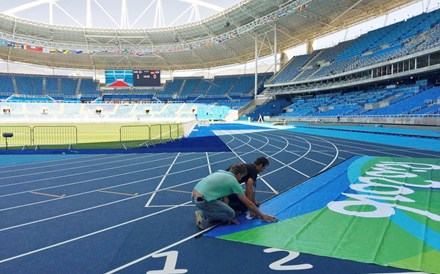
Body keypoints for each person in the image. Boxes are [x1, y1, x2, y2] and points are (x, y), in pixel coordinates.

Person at [192, 163, 277, 230]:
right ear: (239, 174)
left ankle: (212, 216)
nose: (241, 179)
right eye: (242, 176)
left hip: (194, 195)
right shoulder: (233, 182)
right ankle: (202, 214)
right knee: (231, 214)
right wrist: (262, 215)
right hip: (202, 200)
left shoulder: (221, 172)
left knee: (227, 212)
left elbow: (225, 197)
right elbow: (248, 204)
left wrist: (226, 209)